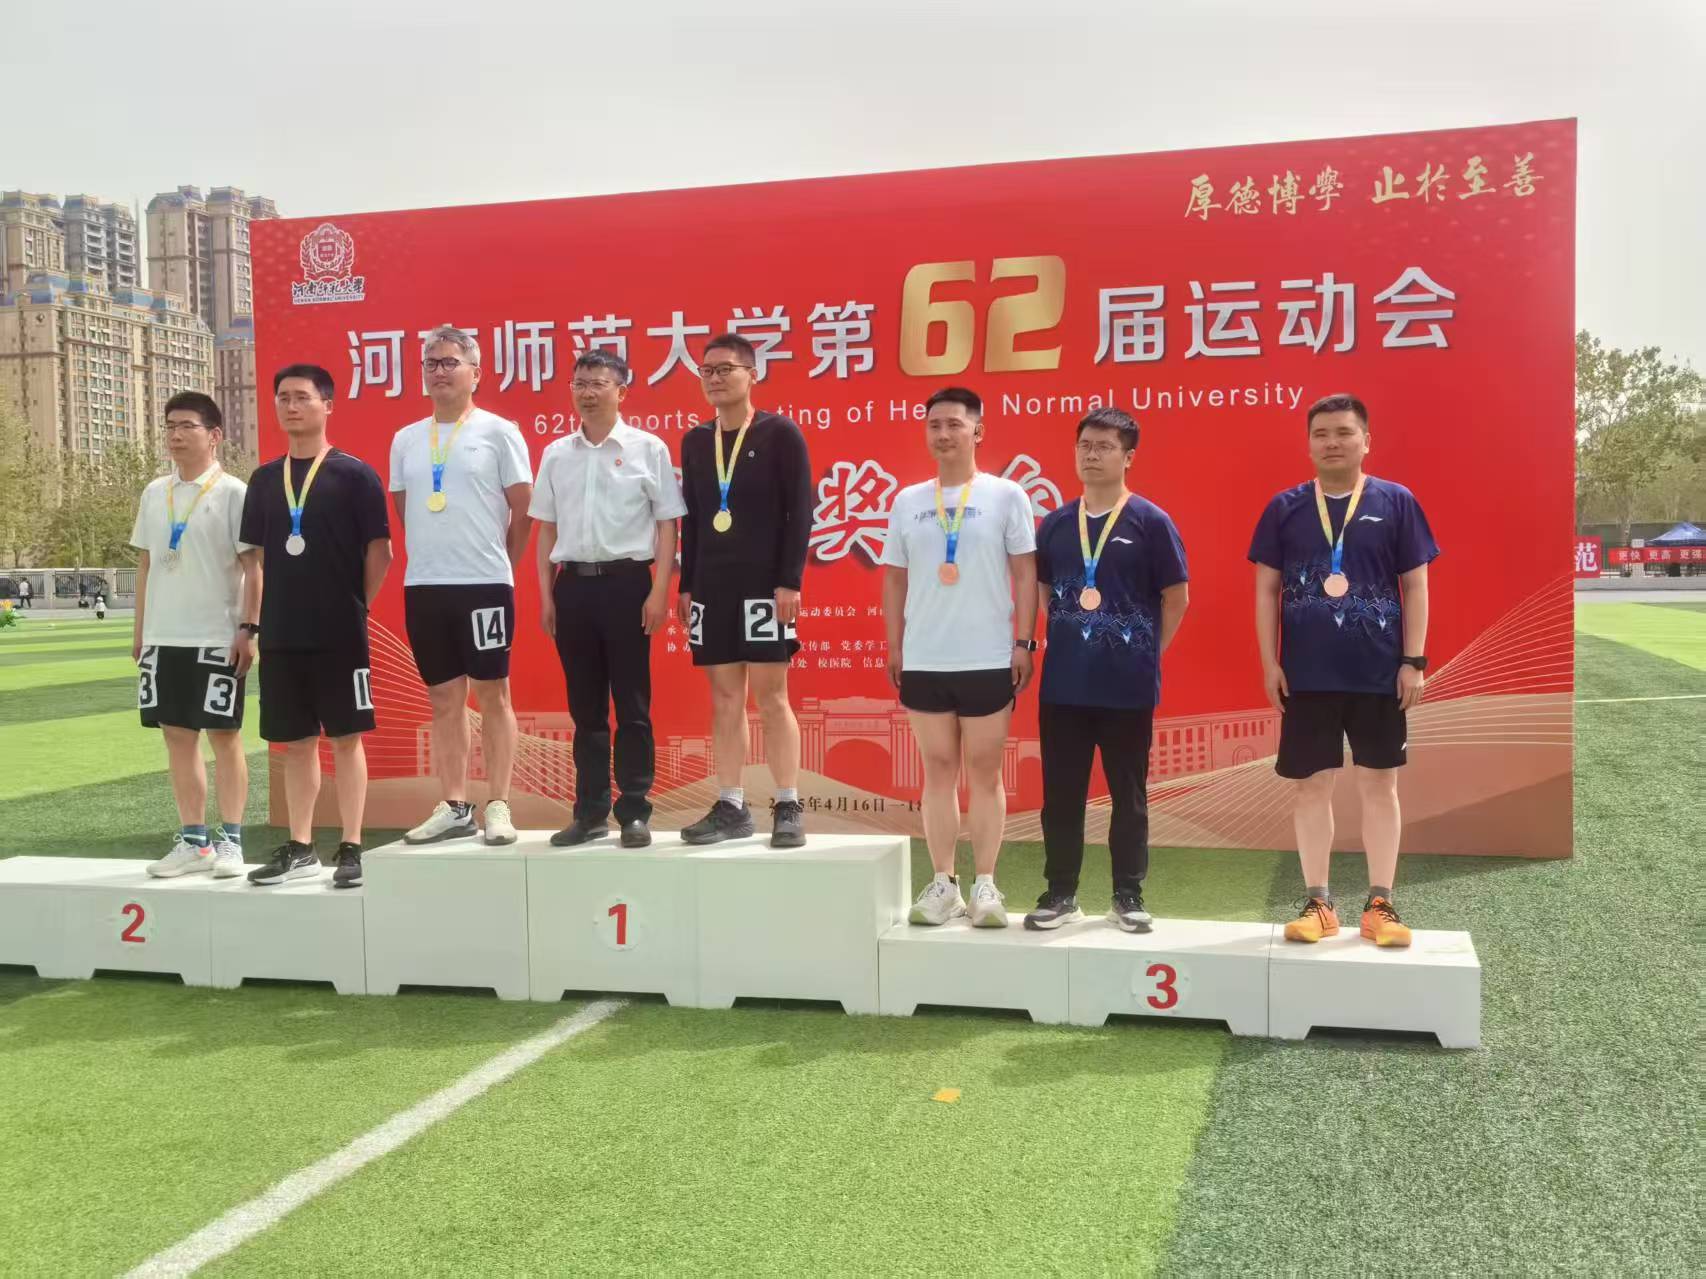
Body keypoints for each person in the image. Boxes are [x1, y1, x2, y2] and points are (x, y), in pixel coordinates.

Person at [1249, 393, 1438, 947]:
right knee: (1311, 789)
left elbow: (1416, 585)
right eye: (1321, 433)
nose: (1332, 442)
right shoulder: (1284, 507)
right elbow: (1265, 591)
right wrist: (1269, 662)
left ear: (1366, 440)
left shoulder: (1396, 501)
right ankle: (1319, 903)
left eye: (1344, 432)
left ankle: (1381, 904)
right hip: (1306, 676)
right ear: (1309, 443)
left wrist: (1413, 660)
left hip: (1380, 673)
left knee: (1381, 784)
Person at [1024, 407, 1188, 933]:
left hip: (1128, 687)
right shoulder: (1055, 523)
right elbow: (1045, 593)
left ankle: (1128, 894)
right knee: (1061, 796)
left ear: (1128, 456)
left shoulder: (1151, 522)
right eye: (1085, 445)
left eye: (1104, 447)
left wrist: (1145, 652)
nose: (1091, 455)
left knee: (1128, 796)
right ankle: (1061, 892)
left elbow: (1177, 597)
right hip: (1064, 687)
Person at [882, 386, 1038, 927]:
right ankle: (944, 883)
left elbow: (1025, 574)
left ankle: (986, 885)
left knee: (985, 771)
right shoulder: (907, 502)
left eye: (954, 424)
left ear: (978, 431)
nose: (943, 434)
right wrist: (896, 645)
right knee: (938, 770)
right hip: (925, 657)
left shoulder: (1006, 496)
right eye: (934, 425)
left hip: (988, 657)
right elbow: (895, 579)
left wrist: (1023, 642)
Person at [240, 364, 393, 887]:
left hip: (340, 633)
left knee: (347, 738)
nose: (291, 406)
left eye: (302, 396)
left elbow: (380, 552)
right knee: (296, 743)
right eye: (283, 397)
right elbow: (258, 559)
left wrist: (353, 605)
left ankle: (351, 845)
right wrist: (257, 622)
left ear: (327, 405)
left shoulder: (355, 475)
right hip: (282, 633)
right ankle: (301, 846)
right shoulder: (264, 480)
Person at [533, 350, 685, 848]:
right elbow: (545, 529)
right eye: (579, 383)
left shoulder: (648, 449)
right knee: (586, 709)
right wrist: (546, 597)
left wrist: (660, 590)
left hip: (628, 586)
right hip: (573, 587)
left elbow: (667, 525)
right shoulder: (557, 453)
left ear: (622, 391)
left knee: (633, 705)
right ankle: (590, 811)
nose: (587, 393)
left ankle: (635, 811)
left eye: (598, 383)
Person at [390, 326, 533, 848]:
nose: (440, 371)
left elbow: (524, 509)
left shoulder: (499, 432)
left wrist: (500, 564)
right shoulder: (406, 439)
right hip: (425, 585)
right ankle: (454, 806)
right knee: (444, 698)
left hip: (484, 585)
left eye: (451, 362)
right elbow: (405, 509)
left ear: (476, 373)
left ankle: (498, 803)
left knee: (493, 693)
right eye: (431, 363)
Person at [675, 333, 812, 848]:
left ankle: (787, 803)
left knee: (773, 697)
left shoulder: (780, 434)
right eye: (707, 371)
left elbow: (800, 512)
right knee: (725, 697)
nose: (715, 379)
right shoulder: (695, 441)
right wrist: (688, 585)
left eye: (725, 369)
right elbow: (693, 520)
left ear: (752, 374)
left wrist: (789, 581)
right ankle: (731, 805)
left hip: (765, 587)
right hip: (713, 587)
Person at [130, 391, 261, 879]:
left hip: (216, 635)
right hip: (164, 637)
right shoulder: (154, 492)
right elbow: (146, 565)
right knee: (177, 738)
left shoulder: (233, 492)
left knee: (224, 736)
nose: (176, 435)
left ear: (214, 435)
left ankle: (232, 841)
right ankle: (193, 842)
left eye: (187, 426)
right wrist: (141, 632)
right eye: (170, 426)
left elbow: (254, 567)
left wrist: (248, 628)